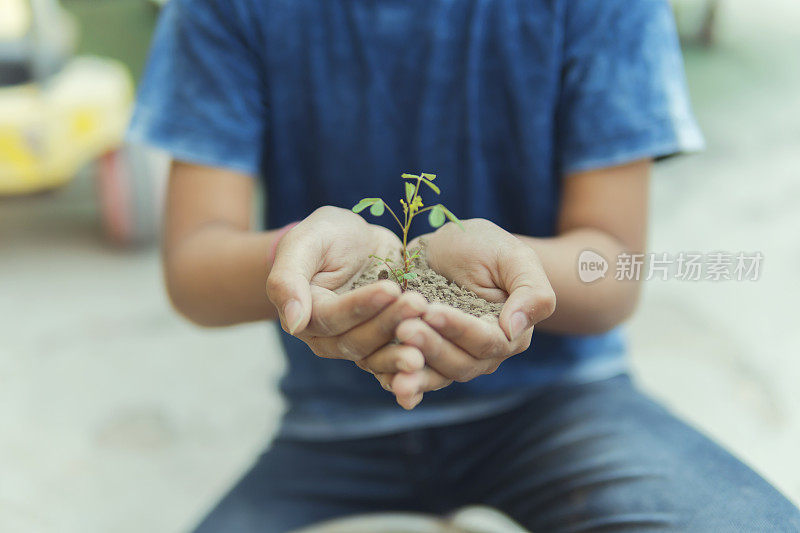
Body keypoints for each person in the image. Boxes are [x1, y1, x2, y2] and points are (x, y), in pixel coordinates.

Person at [128, 0, 800, 531]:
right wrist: (295, 255)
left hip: (560, 400)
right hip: (334, 425)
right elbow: (194, 266)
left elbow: (615, 267)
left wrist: (513, 268)